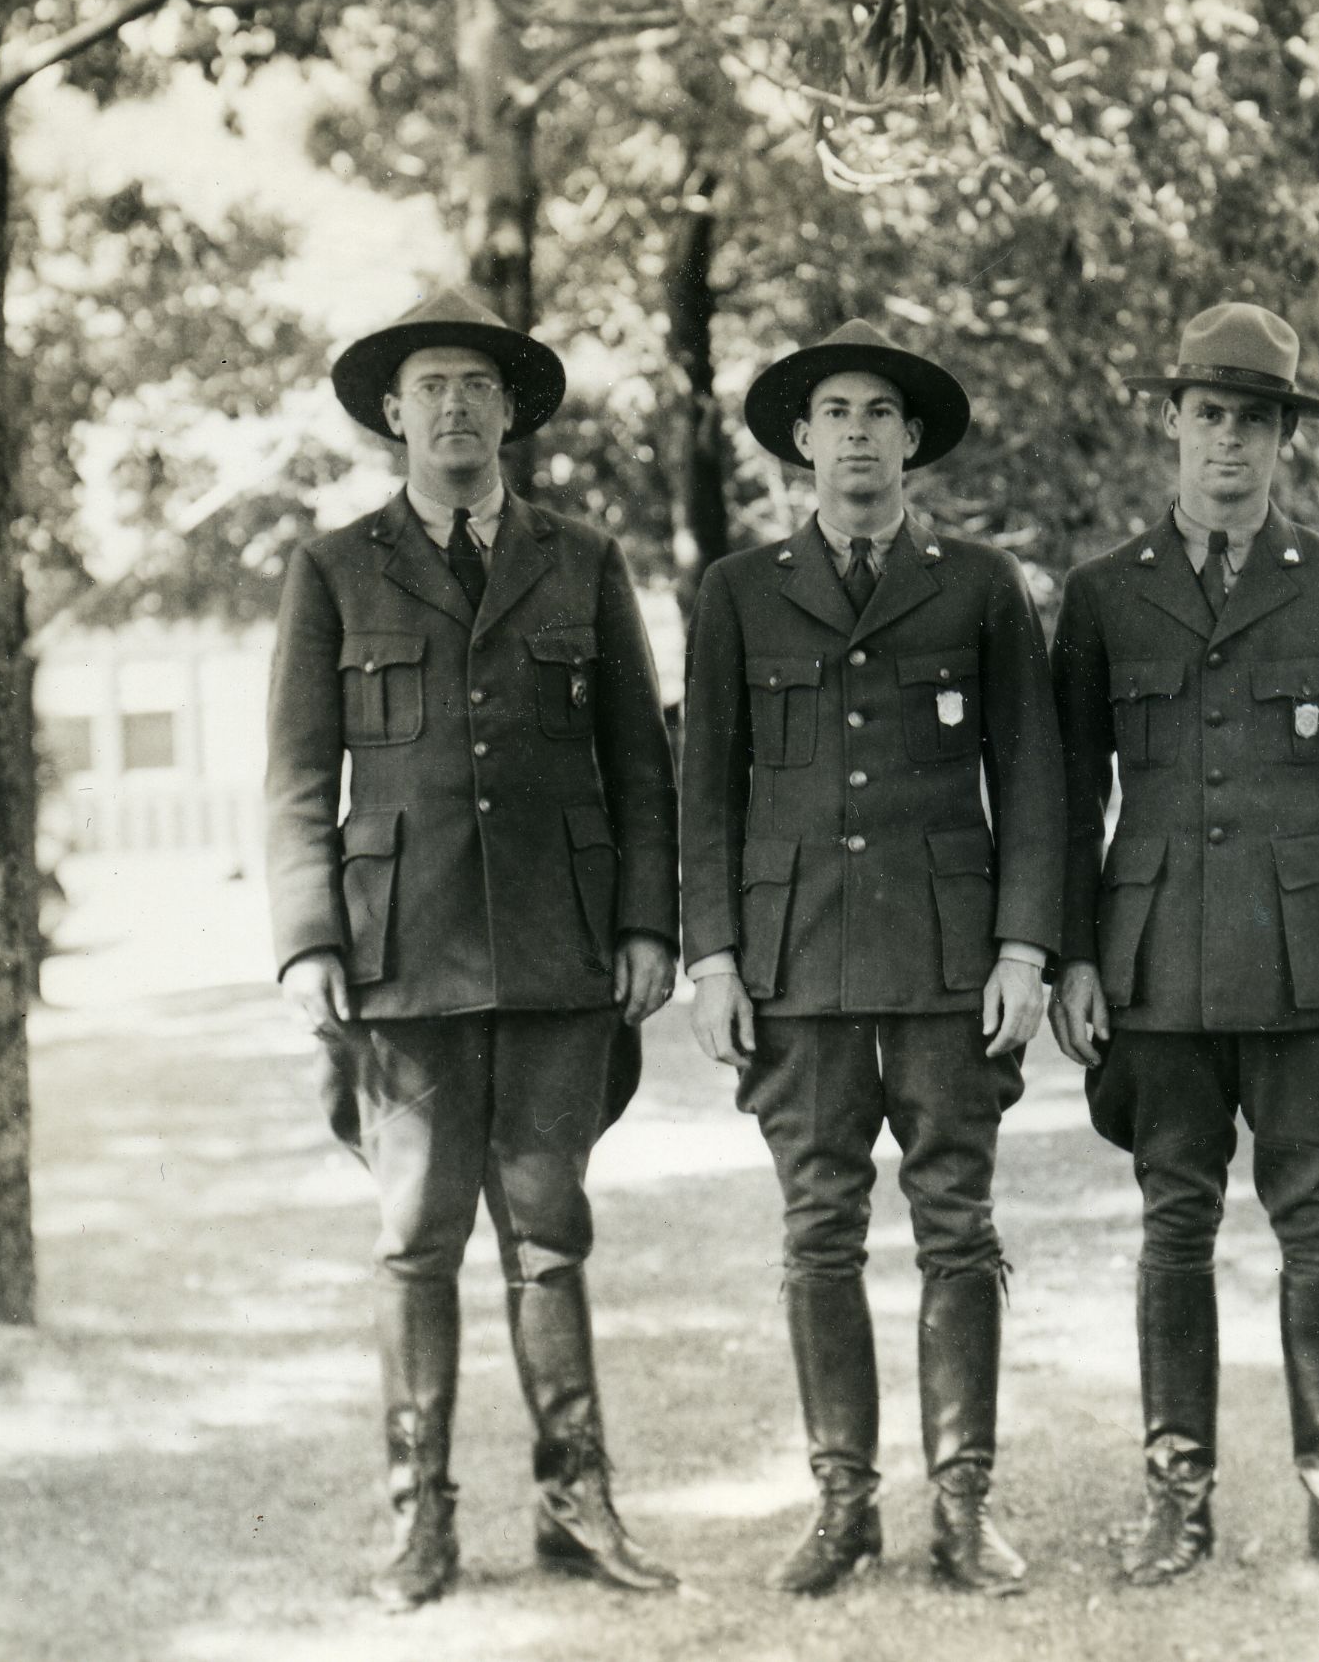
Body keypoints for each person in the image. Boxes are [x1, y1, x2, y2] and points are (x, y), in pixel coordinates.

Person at [265, 287, 681, 1610]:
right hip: (401, 954)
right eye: (429, 385)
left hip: (560, 949)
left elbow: (637, 760)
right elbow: (291, 776)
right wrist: (305, 940)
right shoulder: (333, 569)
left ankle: (578, 1504)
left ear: (510, 410)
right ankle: (416, 1521)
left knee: (549, 1233)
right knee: (413, 1238)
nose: (453, 405)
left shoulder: (581, 559)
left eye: (476, 386)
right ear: (392, 412)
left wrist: (644, 922)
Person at [1048, 303, 1319, 1588]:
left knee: (1313, 1223)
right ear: (1170, 423)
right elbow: (1062, 797)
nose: (1229, 442)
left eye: (1254, 420)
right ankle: (1177, 1497)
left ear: (1284, 439)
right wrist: (1070, 955)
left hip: (1309, 961)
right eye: (1208, 415)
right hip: (1152, 960)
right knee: (1172, 1227)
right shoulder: (1104, 594)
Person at [679, 320, 1064, 1597]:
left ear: (911, 441)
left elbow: (1034, 781)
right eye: (832, 412)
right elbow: (706, 793)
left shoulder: (980, 585)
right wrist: (714, 957)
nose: (854, 432)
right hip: (794, 958)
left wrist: (1023, 946)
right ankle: (842, 1504)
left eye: (877, 413)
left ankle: (963, 1504)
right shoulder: (736, 593)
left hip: (952, 960)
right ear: (801, 439)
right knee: (817, 1229)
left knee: (958, 1222)